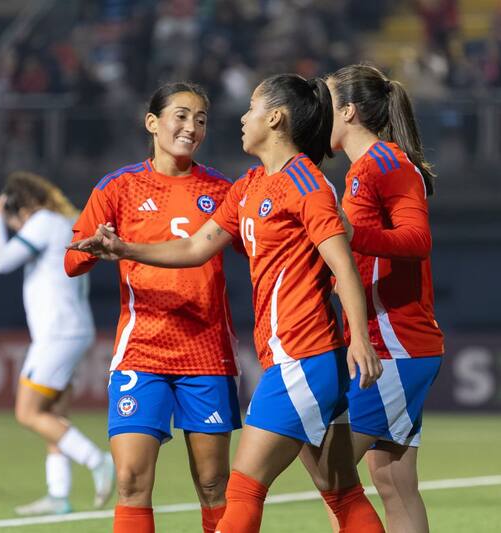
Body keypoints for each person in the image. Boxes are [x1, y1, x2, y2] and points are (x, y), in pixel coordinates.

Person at [71, 74, 386, 533]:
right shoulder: (249, 186)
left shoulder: (307, 185)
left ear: (274, 118)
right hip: (294, 359)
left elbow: (344, 266)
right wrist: (124, 249)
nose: (241, 117)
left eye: (252, 107)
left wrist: (359, 337)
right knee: (341, 489)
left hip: (304, 356)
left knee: (241, 488)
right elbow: (194, 248)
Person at [64, 81, 242, 533]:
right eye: (181, 115)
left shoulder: (223, 189)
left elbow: (260, 248)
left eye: (201, 119)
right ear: (152, 122)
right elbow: (72, 260)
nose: (191, 127)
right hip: (142, 351)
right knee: (130, 480)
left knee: (213, 483)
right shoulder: (119, 187)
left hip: (206, 351)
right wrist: (92, 248)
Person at [323, 64, 444, 533]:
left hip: (395, 344)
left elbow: (418, 240)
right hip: (391, 342)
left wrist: (355, 233)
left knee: (333, 473)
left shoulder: (386, 164)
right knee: (392, 481)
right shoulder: (365, 169)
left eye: (327, 106)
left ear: (349, 112)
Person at [0, 171, 113, 515]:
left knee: (27, 411)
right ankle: (58, 494)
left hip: (57, 332)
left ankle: (97, 460)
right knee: (54, 414)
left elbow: (0, 262)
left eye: (14, 219)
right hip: (73, 328)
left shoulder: (42, 221)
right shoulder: (68, 219)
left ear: (20, 208)